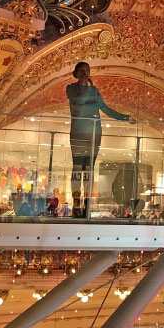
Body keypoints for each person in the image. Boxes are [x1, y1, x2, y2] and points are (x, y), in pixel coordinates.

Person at [66, 62, 130, 216]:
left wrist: (126, 117)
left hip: (94, 134)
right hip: (78, 132)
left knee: (89, 168)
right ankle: (76, 203)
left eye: (87, 71)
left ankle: (87, 203)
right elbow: (79, 102)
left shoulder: (94, 90)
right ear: (76, 73)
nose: (85, 73)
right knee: (77, 168)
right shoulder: (71, 88)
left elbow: (106, 109)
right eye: (82, 71)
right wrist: (87, 87)